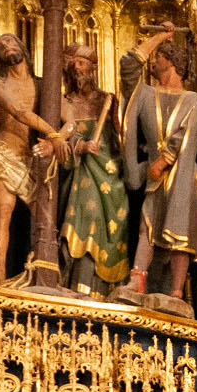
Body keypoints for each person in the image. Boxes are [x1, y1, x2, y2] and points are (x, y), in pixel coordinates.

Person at [118, 31, 197, 313]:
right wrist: (158, 38)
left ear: (171, 62)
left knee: (181, 235)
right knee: (147, 226)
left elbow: (188, 132)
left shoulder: (193, 99)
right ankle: (137, 279)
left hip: (181, 175)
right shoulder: (144, 94)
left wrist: (164, 159)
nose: (152, 63)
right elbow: (128, 66)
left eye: (158, 58)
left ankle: (177, 290)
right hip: (154, 178)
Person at [0, 33, 67, 287]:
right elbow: (18, 112)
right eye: (0, 47)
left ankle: (42, 276)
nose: (6, 47)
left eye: (10, 42)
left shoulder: (42, 85)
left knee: (42, 218)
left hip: (34, 156)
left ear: (22, 47)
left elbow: (69, 115)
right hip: (4, 151)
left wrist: (60, 137)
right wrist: (54, 134)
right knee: (3, 212)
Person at [57, 43, 131, 294]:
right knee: (86, 214)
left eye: (82, 64)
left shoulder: (107, 100)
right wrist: (79, 146)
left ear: (92, 69)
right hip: (80, 170)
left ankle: (101, 289)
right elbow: (60, 139)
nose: (77, 69)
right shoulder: (64, 103)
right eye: (73, 64)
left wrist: (117, 120)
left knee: (108, 227)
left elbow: (123, 139)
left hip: (109, 172)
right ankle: (79, 283)